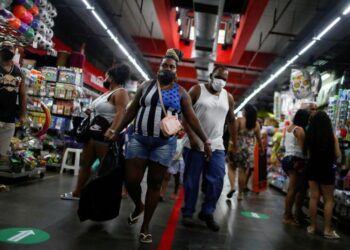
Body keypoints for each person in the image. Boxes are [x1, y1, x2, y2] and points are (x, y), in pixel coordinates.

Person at [113, 48, 211, 244]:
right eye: (164, 65)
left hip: (164, 144)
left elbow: (191, 118)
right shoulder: (145, 86)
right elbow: (131, 111)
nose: (167, 68)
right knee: (131, 179)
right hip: (139, 139)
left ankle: (146, 226)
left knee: (155, 184)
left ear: (176, 71)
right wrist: (116, 131)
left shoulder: (181, 92)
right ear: (159, 68)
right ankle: (138, 206)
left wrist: (205, 140)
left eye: (171, 66)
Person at [60, 64, 130, 200]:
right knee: (86, 165)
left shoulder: (121, 92)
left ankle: (104, 199)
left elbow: (121, 113)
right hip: (92, 134)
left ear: (113, 77)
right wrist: (90, 111)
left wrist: (112, 130)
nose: (105, 78)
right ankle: (77, 193)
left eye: (107, 76)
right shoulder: (107, 93)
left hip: (104, 135)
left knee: (106, 169)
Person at [181, 65, 236, 232]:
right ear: (211, 75)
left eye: (225, 79)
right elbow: (184, 113)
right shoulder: (197, 90)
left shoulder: (229, 97)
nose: (222, 81)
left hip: (217, 145)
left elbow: (231, 121)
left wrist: (234, 144)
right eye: (219, 77)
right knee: (192, 180)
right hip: (194, 144)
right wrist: (191, 137)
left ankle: (207, 212)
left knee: (217, 179)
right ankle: (188, 213)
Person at [304, 111, 341, 239]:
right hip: (326, 168)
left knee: (313, 197)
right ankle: (327, 230)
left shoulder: (309, 135)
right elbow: (337, 155)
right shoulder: (331, 136)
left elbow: (307, 153)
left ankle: (312, 227)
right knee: (328, 200)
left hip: (312, 167)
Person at [281, 109, 310, 225]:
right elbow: (303, 149)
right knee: (293, 189)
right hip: (296, 160)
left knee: (298, 188)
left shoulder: (289, 128)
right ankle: (287, 216)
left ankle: (296, 213)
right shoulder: (299, 129)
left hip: (288, 159)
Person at [0, 41, 26, 163]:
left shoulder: (19, 72)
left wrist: (23, 114)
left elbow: (22, 94)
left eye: (9, 47)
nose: (6, 49)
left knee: (1, 154)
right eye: (4, 47)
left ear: (14, 50)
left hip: (9, 120)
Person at [231, 104, 264, 200]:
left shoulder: (240, 120)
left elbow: (234, 134)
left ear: (246, 112)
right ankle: (240, 194)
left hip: (238, 148)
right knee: (243, 172)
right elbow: (259, 139)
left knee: (232, 168)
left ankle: (233, 187)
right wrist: (261, 149)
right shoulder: (256, 124)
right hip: (249, 151)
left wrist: (233, 146)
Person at [160, 129, 185, 201]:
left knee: (177, 177)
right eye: (179, 131)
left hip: (179, 160)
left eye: (182, 131)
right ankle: (162, 193)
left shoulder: (184, 140)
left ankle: (175, 192)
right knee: (166, 177)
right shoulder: (172, 138)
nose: (181, 132)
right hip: (170, 159)